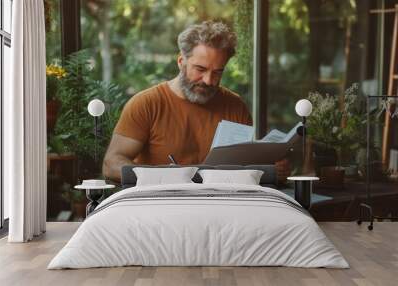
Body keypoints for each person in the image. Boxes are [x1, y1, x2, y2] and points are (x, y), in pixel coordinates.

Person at [103, 21, 289, 183]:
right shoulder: (146, 104)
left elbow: (242, 168)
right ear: (180, 62)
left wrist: (270, 170)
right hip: (162, 203)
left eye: (217, 72)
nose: (208, 80)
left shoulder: (235, 106)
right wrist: (161, 177)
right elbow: (111, 164)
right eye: (200, 69)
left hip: (222, 203)